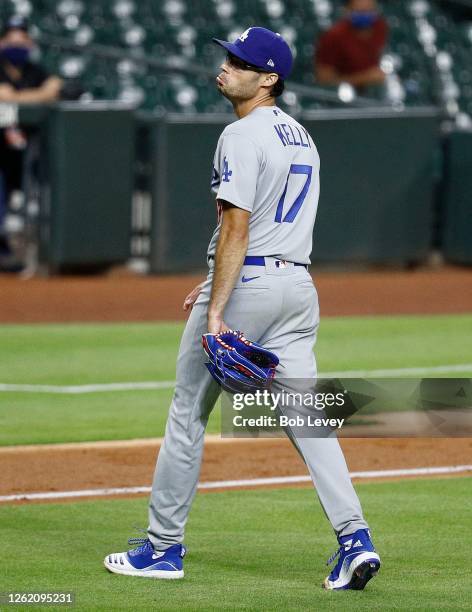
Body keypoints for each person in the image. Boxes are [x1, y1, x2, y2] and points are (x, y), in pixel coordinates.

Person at [104, 26, 381, 591]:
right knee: (310, 421)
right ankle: (355, 539)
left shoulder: (242, 134)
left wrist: (216, 306)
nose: (225, 67)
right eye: (227, 57)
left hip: (249, 287)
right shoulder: (302, 136)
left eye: (240, 61)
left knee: (187, 413)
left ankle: (161, 549)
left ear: (269, 78)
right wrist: (214, 280)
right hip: (297, 289)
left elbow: (237, 225)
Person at [0, 16, 62, 264]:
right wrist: (38, 96)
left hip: (29, 152)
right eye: (12, 39)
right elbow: (3, 95)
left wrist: (17, 96)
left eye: (22, 39)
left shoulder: (35, 70)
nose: (18, 44)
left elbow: (54, 88)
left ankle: (30, 248)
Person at [315, 0, 388, 93]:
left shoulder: (380, 27)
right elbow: (324, 82)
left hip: (376, 92)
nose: (364, 15)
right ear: (347, 10)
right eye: (360, 11)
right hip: (343, 97)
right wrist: (364, 78)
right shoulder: (333, 36)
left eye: (368, 10)